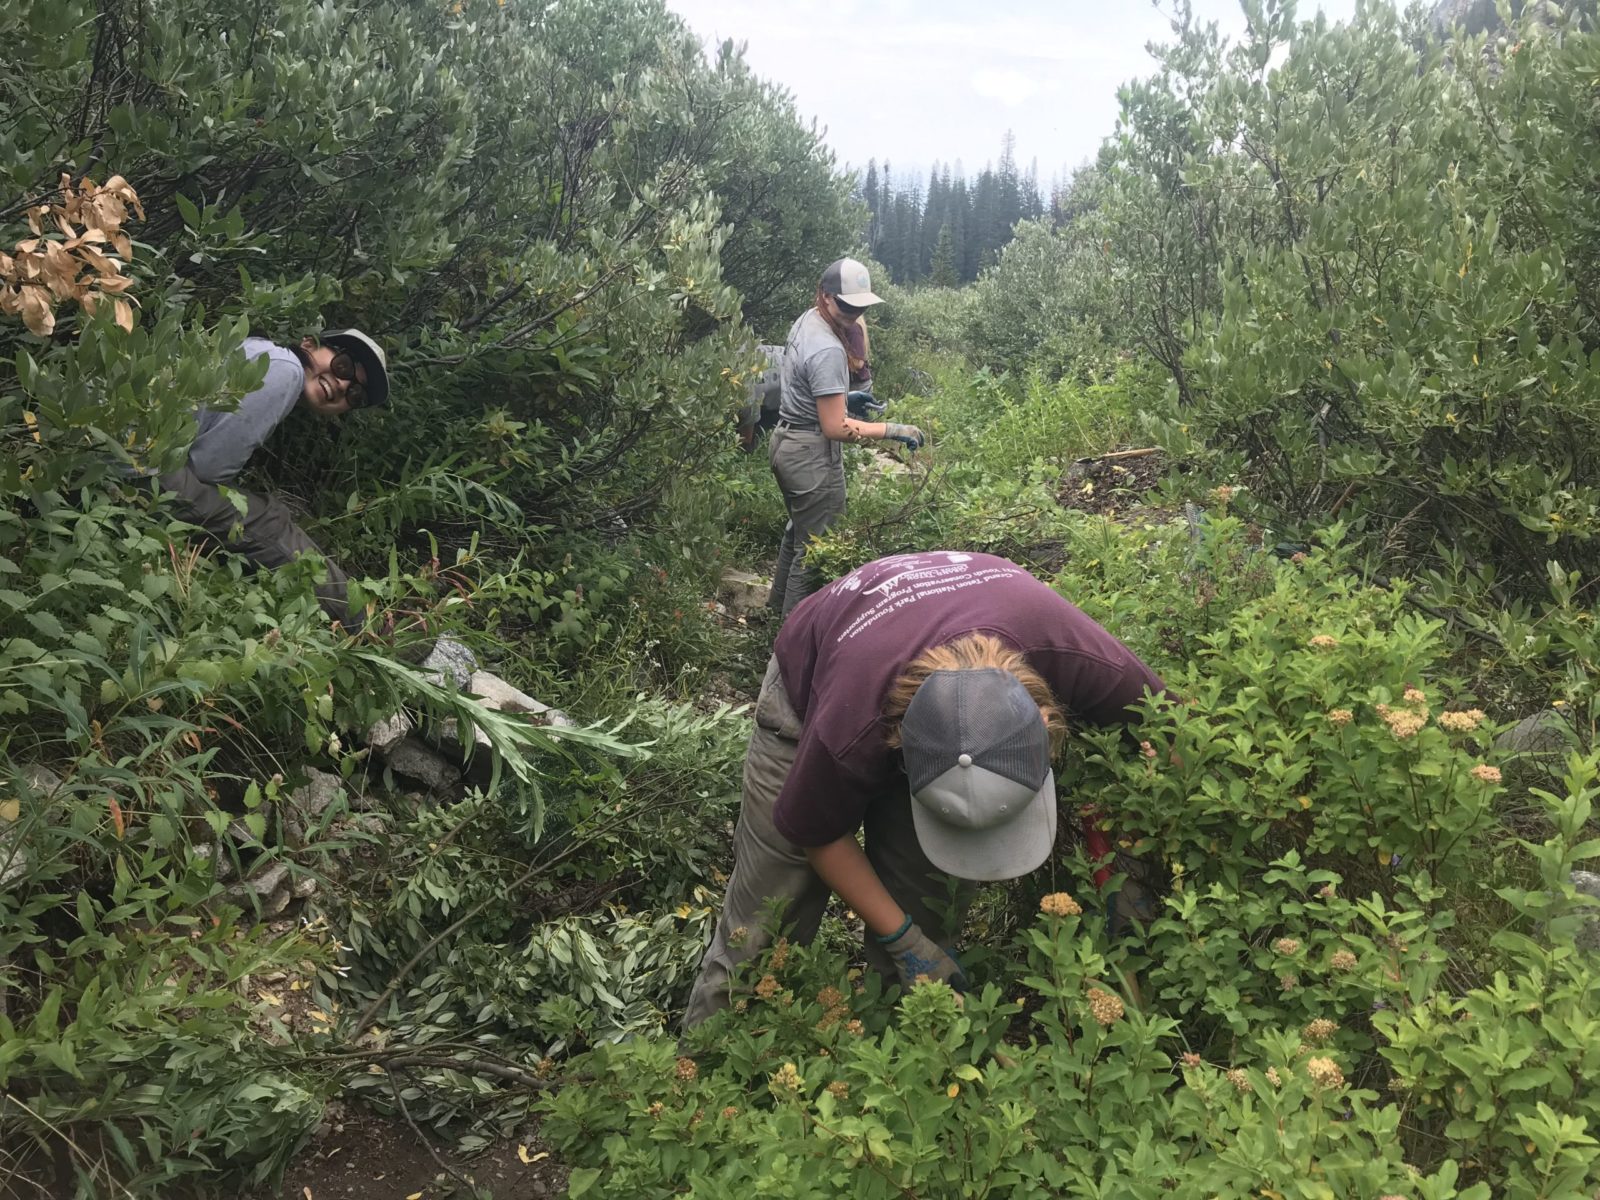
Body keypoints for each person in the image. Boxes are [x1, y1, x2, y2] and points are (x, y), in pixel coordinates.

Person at [682, 550, 1166, 1028]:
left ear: (1043, 722)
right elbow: (817, 834)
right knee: (764, 927)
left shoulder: (1072, 653)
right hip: (814, 692)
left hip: (930, 633)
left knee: (928, 906)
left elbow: (1174, 733)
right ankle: (707, 1069)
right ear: (902, 754)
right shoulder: (846, 733)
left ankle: (898, 1050)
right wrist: (905, 945)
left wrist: (1132, 863)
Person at [156, 329, 389, 629]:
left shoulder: (260, 349)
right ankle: (371, 626)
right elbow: (207, 470)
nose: (343, 385)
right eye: (343, 365)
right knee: (267, 521)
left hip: (134, 436)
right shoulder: (287, 370)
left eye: (355, 395)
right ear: (309, 343)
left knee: (253, 509)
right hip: (144, 459)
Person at [767, 258, 924, 617]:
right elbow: (836, 427)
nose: (853, 314)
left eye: (861, 306)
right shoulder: (828, 348)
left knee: (798, 534)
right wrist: (893, 431)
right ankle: (791, 641)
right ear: (825, 296)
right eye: (847, 305)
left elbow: (805, 386)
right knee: (815, 552)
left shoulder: (808, 320)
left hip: (786, 442)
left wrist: (840, 395)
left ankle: (774, 612)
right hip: (810, 458)